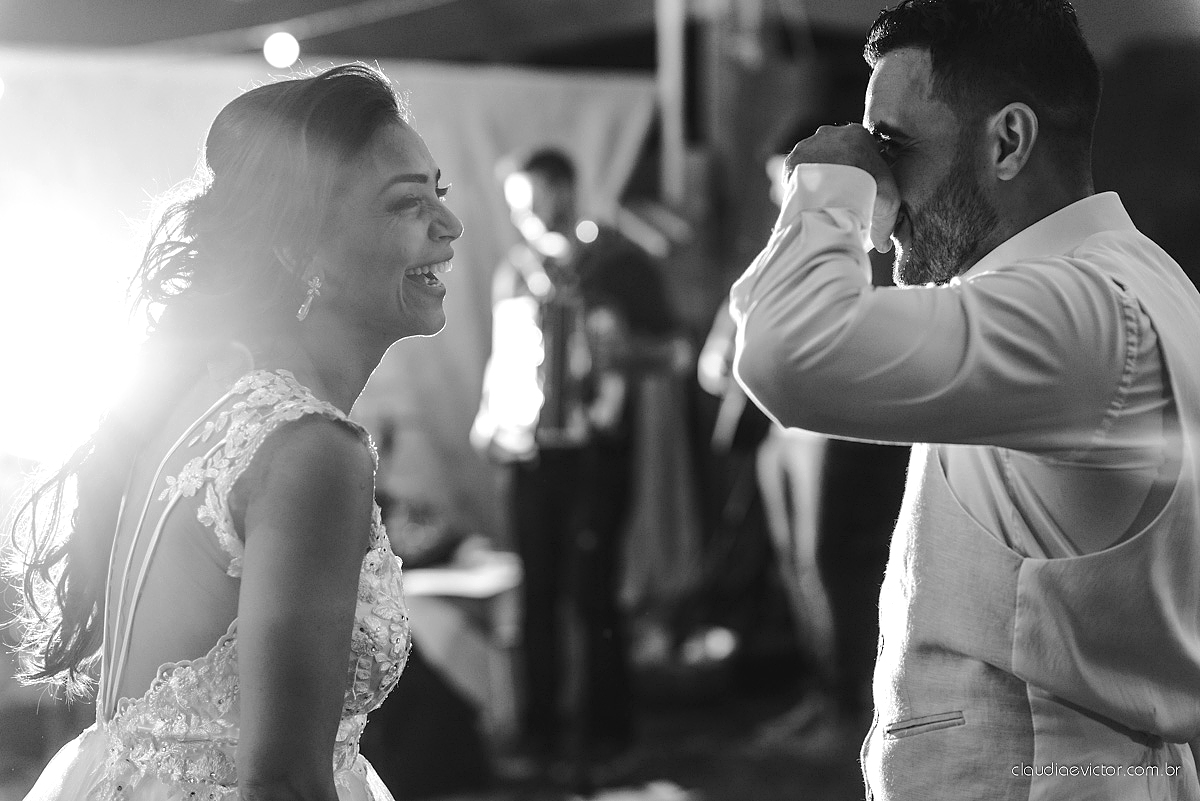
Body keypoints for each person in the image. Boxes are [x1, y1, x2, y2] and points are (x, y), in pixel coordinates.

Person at [730, 1, 1200, 799]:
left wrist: (831, 180)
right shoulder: (1122, 278)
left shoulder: (1078, 311)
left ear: (1008, 141)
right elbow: (771, 325)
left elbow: (786, 353)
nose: (882, 182)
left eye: (891, 147)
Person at [5, 63, 463, 801]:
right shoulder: (310, 450)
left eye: (439, 193)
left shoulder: (204, 395)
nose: (449, 225)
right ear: (299, 248)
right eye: (408, 204)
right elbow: (284, 783)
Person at [472, 148, 680, 779]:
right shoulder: (514, 272)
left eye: (536, 198)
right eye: (517, 205)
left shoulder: (619, 264)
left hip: (597, 455)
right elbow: (504, 359)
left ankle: (607, 735)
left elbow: (674, 351)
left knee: (594, 595)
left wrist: (615, 350)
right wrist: (489, 416)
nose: (527, 215)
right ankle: (538, 736)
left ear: (566, 189)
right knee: (535, 596)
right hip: (529, 456)